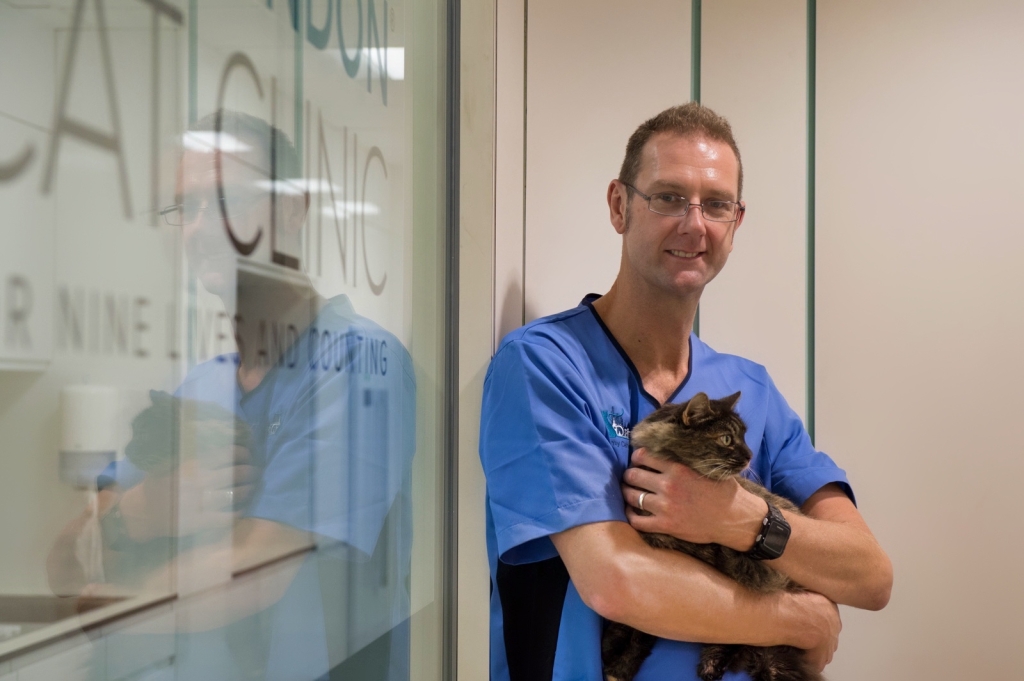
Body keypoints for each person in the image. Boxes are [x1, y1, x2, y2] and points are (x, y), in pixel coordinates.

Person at [479, 103, 893, 681]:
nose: (694, 223)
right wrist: (797, 620)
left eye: (716, 204)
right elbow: (617, 581)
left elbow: (869, 575)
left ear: (735, 223)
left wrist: (740, 519)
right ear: (620, 206)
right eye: (669, 197)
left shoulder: (748, 389)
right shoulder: (546, 367)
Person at [47, 111, 417, 681]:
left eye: (228, 200)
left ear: (294, 210)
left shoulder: (360, 363)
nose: (200, 227)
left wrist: (116, 603)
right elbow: (64, 559)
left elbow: (255, 571)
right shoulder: (204, 385)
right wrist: (142, 511)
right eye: (186, 208)